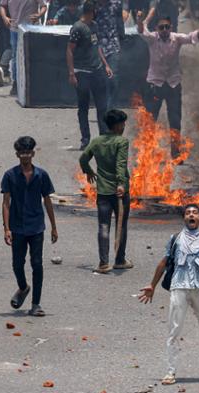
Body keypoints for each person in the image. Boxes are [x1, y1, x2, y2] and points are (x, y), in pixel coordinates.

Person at [138, 204, 199, 386]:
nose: (191, 215)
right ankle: (171, 371)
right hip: (179, 286)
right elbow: (164, 263)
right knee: (174, 329)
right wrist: (152, 285)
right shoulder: (176, 240)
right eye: (188, 213)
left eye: (195, 213)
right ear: (184, 218)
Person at [137, 13, 199, 158]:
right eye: (161, 27)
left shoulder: (176, 38)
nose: (164, 30)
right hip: (155, 84)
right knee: (151, 120)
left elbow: (191, 37)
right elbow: (141, 31)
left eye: (166, 27)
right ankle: (148, 151)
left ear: (170, 28)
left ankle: (175, 152)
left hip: (173, 84)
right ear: (157, 29)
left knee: (175, 120)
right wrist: (139, 20)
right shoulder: (152, 39)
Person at [2, 136, 57, 317]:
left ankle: (36, 304)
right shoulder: (10, 175)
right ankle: (23, 287)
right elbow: (6, 203)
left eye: (28, 152)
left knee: (37, 264)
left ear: (33, 153)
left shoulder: (41, 175)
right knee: (17, 264)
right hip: (17, 226)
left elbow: (47, 200)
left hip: (36, 226)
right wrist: (6, 228)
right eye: (21, 153)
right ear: (17, 154)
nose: (25, 156)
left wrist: (54, 227)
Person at [79, 109, 132, 273]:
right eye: (122, 123)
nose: (124, 126)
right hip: (119, 193)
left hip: (103, 191)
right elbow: (120, 164)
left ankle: (103, 263)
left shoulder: (96, 141)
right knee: (121, 225)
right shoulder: (121, 142)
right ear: (117, 126)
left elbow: (83, 158)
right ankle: (120, 260)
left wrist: (88, 170)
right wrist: (121, 184)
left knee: (103, 226)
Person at [66, 0, 112, 151]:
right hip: (82, 72)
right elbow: (69, 50)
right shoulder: (78, 28)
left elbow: (97, 46)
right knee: (83, 107)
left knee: (102, 106)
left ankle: (104, 136)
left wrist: (105, 64)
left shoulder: (94, 26)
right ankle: (85, 139)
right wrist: (72, 73)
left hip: (97, 70)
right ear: (89, 12)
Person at [0, 0, 47, 95]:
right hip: (15, 29)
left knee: (33, 56)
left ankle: (34, 83)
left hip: (31, 29)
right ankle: (16, 83)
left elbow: (44, 6)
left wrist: (39, 15)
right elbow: (2, 6)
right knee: (16, 58)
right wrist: (4, 17)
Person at [95, 0, 125, 110]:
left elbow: (120, 23)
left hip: (113, 45)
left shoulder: (116, 4)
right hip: (97, 47)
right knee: (100, 81)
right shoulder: (93, 4)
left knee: (113, 79)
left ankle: (110, 108)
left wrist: (122, 40)